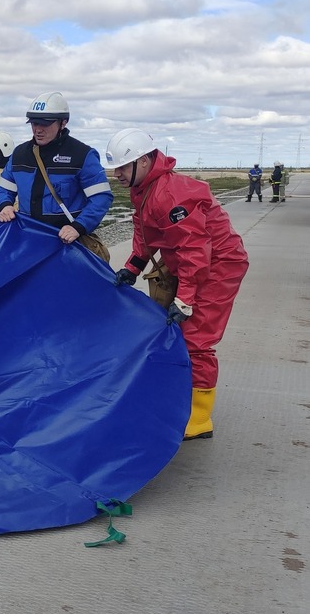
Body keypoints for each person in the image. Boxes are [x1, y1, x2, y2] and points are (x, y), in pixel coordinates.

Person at [104, 129, 248, 441]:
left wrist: (184, 299)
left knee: (196, 338)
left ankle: (198, 419)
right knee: (178, 333)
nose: (117, 174)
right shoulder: (144, 188)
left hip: (219, 264)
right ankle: (180, 399)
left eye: (122, 167)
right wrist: (134, 265)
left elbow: (194, 249)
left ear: (143, 161)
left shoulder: (170, 195)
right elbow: (145, 231)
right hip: (193, 262)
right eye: (115, 167)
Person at [0, 91, 113, 262]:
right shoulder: (19, 154)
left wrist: (78, 227)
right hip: (29, 242)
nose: (38, 129)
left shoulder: (82, 155)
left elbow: (101, 197)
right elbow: (4, 189)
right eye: (34, 123)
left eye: (45, 123)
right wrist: (4, 205)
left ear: (63, 123)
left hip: (69, 245)